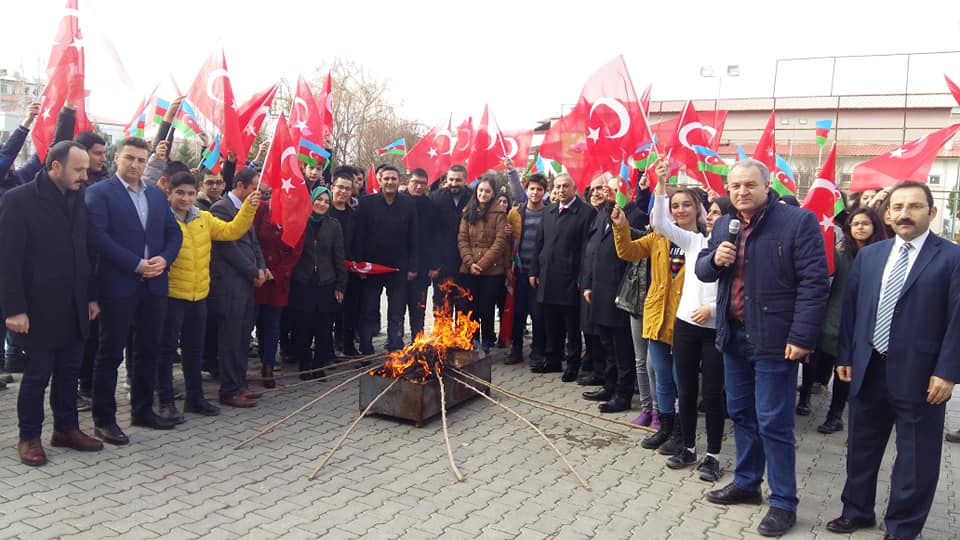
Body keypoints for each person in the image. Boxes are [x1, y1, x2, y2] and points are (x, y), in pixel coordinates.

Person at [695, 159, 829, 537]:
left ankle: (784, 503)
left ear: (766, 186)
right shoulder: (724, 223)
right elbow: (703, 269)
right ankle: (747, 483)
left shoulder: (797, 222)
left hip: (775, 341)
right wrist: (714, 260)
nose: (741, 192)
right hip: (733, 336)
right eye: (735, 186)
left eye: (749, 185)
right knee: (741, 413)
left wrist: (802, 337)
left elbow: (815, 284)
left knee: (774, 422)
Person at [826, 181, 960, 540]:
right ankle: (857, 511)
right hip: (869, 367)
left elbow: (957, 319)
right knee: (861, 447)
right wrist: (846, 354)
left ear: (931, 212)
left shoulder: (952, 258)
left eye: (914, 206)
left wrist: (948, 372)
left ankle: (902, 528)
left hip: (923, 377)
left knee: (916, 460)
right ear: (888, 213)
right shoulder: (871, 255)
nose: (904, 213)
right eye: (898, 207)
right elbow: (852, 309)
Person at [0, 141, 104, 465]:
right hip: (36, 309)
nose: (85, 176)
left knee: (69, 371)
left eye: (87, 169)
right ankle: (29, 436)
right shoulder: (18, 201)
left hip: (74, 305)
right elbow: (8, 259)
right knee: (37, 375)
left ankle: (66, 429)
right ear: (54, 166)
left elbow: (85, 251)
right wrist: (14, 309)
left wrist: (91, 295)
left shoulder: (77, 198)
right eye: (79, 169)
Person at [86, 137, 184, 444]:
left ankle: (142, 410)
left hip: (154, 285)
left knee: (148, 350)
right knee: (110, 353)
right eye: (130, 158)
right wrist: (136, 264)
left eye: (141, 160)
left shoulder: (156, 196)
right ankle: (104, 419)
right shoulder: (99, 193)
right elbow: (98, 238)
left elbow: (173, 234)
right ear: (117, 158)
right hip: (118, 285)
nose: (136, 165)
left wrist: (164, 259)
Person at [158, 171, 260, 421]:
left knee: (194, 349)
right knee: (167, 350)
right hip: (172, 294)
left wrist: (248, 207)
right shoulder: (161, 219)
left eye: (190, 193)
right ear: (169, 192)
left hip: (199, 294)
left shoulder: (204, 217)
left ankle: (195, 398)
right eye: (180, 193)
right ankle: (166, 401)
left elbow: (232, 231)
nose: (185, 198)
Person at [645, 163, 724, 481]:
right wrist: (661, 183)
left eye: (721, 214)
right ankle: (688, 447)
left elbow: (738, 293)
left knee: (715, 395)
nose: (716, 219)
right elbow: (661, 222)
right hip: (685, 328)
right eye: (714, 213)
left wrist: (712, 309)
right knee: (687, 390)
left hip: (715, 330)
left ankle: (713, 455)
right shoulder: (694, 242)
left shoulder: (735, 249)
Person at [612, 177, 702, 457]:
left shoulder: (705, 240)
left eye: (687, 205)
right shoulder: (660, 237)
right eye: (675, 206)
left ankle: (682, 434)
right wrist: (620, 226)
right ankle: (665, 427)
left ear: (697, 208)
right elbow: (627, 251)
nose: (681, 210)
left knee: (682, 381)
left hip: (686, 320)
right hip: (657, 317)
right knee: (662, 377)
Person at [813, 208, 886, 434]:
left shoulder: (883, 254)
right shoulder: (841, 252)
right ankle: (828, 409)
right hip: (835, 316)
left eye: (865, 223)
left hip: (867, 321)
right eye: (855, 224)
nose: (860, 228)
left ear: (875, 226)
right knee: (835, 365)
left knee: (853, 370)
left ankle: (844, 416)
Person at [209, 168, 267, 408]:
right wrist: (252, 271)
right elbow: (229, 247)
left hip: (246, 283)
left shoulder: (247, 209)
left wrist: (262, 267)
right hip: (229, 282)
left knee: (243, 336)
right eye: (254, 189)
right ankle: (229, 389)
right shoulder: (221, 208)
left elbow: (253, 242)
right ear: (240, 186)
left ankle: (240, 383)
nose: (257, 195)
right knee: (231, 337)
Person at [529, 174, 595, 380]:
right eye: (557, 186)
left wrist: (582, 277)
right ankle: (553, 360)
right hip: (547, 277)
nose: (561, 190)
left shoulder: (586, 213)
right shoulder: (548, 212)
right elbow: (539, 244)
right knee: (551, 322)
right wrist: (534, 270)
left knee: (571, 325)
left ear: (574, 188)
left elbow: (587, 249)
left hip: (570, 278)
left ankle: (573, 365)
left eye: (566, 186)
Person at [580, 176, 637, 413]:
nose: (609, 193)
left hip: (620, 293)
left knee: (622, 347)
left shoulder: (635, 215)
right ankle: (609, 385)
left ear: (628, 191)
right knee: (606, 344)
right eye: (607, 189)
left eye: (615, 189)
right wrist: (589, 284)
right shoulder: (603, 213)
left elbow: (633, 261)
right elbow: (594, 252)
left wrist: (623, 291)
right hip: (600, 291)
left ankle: (623, 395)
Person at [356, 165, 418, 353]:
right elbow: (359, 235)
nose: (390, 182)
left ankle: (395, 347)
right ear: (380, 181)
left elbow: (414, 236)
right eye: (386, 179)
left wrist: (413, 266)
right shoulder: (367, 203)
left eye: (394, 178)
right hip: (372, 268)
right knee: (368, 311)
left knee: (397, 312)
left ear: (399, 181)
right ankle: (366, 349)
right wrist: (360, 265)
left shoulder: (408, 204)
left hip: (399, 268)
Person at [290, 187, 347, 379]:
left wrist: (341, 285)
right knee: (302, 326)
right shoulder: (300, 221)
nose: (322, 204)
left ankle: (318, 364)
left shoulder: (334, 225)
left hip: (326, 282)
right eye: (319, 200)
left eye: (326, 201)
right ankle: (305, 365)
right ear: (311, 200)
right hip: (303, 281)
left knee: (323, 327)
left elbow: (339, 256)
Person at [457, 176, 509, 352]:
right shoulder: (467, 211)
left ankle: (487, 339)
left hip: (492, 270)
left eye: (487, 191)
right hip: (469, 269)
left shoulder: (499, 213)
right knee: (470, 307)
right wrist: (471, 263)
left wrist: (483, 263)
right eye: (480, 190)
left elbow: (500, 241)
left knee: (486, 307)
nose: (483, 194)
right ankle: (472, 339)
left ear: (493, 193)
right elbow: (462, 239)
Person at [254, 185, 298, 389]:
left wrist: (277, 272)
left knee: (272, 325)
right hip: (256, 277)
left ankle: (268, 366)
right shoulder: (260, 210)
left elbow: (295, 252)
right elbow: (250, 240)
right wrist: (259, 268)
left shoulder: (294, 218)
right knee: (252, 322)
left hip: (278, 281)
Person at [506, 173, 547, 366]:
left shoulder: (549, 213)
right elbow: (508, 240)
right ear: (527, 190)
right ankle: (516, 350)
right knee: (517, 313)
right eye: (532, 188)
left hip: (539, 274)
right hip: (519, 272)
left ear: (544, 192)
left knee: (538, 314)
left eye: (539, 189)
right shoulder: (515, 212)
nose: (535, 192)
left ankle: (537, 352)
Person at [429, 165, 473, 310]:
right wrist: (434, 264)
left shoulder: (474, 198)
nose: (454, 183)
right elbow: (431, 232)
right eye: (451, 179)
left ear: (465, 180)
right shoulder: (435, 198)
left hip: (465, 263)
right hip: (442, 264)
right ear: (446, 179)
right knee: (442, 307)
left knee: (464, 308)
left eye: (458, 180)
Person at [328, 167, 361, 356]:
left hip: (350, 269)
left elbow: (358, 241)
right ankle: (328, 349)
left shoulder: (354, 215)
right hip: (328, 270)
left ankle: (348, 346)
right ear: (332, 187)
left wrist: (357, 263)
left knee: (350, 311)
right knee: (329, 312)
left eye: (347, 188)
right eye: (339, 187)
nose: (343, 192)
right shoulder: (325, 211)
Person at [404, 168, 438, 340]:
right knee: (397, 307)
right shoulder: (399, 201)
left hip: (423, 265)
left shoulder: (431, 206)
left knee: (419, 307)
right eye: (415, 182)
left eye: (423, 184)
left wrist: (433, 265)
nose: (418, 186)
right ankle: (394, 342)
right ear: (408, 182)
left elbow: (435, 237)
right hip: (400, 264)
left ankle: (418, 340)